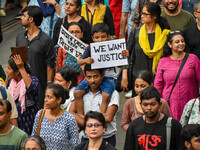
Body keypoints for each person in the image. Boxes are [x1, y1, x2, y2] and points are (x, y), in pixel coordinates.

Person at [121, 2, 170, 95]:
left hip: (158, 79)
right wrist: (124, 76)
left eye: (145, 14)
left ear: (154, 16)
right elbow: (126, 55)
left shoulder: (164, 35)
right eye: (141, 13)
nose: (141, 16)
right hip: (138, 80)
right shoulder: (136, 32)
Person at [154, 31, 200, 121]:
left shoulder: (193, 59)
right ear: (169, 44)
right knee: (172, 129)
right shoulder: (163, 61)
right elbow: (158, 84)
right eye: (177, 42)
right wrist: (157, 103)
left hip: (190, 102)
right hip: (170, 103)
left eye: (182, 41)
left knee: (190, 131)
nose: (181, 44)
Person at [69, 64, 119, 147]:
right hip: (86, 138)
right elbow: (71, 112)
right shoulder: (81, 93)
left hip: (106, 138)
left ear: (102, 75)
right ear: (85, 76)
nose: (92, 80)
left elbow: (109, 117)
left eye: (96, 77)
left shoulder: (112, 93)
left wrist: (86, 123)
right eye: (89, 77)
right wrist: (85, 123)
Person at [75, 23, 118, 116]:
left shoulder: (113, 47)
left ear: (108, 37)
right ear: (93, 38)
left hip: (109, 77)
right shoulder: (90, 48)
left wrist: (124, 55)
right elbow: (79, 62)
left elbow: (122, 63)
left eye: (103, 37)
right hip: (93, 77)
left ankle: (101, 117)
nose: (100, 40)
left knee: (106, 95)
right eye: (97, 37)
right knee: (77, 93)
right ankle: (81, 116)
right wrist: (86, 60)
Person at [16, 6, 55, 108]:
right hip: (22, 86)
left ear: (31, 19)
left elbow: (50, 65)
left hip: (40, 88)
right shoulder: (20, 36)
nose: (21, 18)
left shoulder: (46, 40)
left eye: (24, 16)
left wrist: (49, 86)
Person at [32, 84, 79, 150]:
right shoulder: (40, 114)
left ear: (59, 100)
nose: (45, 100)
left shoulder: (69, 118)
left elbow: (75, 144)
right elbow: (33, 139)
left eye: (49, 97)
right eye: (45, 96)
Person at [6, 55, 39, 135]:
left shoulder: (33, 80)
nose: (6, 70)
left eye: (9, 68)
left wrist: (21, 68)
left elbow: (32, 88)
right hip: (17, 127)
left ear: (17, 72)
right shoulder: (10, 83)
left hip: (30, 125)